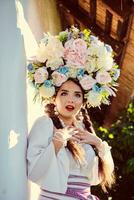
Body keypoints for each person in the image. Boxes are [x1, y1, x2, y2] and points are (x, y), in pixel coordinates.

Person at [27, 26, 120, 200]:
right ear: (54, 98)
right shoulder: (45, 124)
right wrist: (56, 143)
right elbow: (33, 172)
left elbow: (100, 177)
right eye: (64, 93)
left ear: (84, 101)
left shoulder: (85, 129)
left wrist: (99, 143)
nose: (71, 100)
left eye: (77, 95)